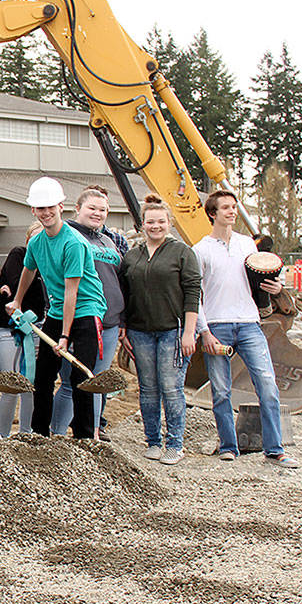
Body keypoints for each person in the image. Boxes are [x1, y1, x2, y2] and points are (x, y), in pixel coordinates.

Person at [194, 190, 296, 467]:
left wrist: (277, 286)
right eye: (225, 207)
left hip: (250, 324)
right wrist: (204, 332)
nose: (232, 211)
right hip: (217, 324)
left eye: (234, 207)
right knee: (221, 389)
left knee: (267, 385)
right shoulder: (200, 249)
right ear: (212, 213)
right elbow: (194, 295)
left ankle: (275, 449)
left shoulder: (248, 246)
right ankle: (228, 446)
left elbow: (270, 274)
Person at [6, 177, 107, 439]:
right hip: (58, 310)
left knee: (81, 376)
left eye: (51, 207)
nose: (46, 212)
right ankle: (39, 434)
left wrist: (64, 336)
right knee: (43, 377)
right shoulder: (37, 242)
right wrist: (17, 300)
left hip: (86, 309)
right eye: (41, 208)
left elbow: (72, 292)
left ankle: (84, 438)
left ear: (61, 206)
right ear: (33, 211)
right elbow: (29, 270)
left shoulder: (73, 242)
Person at [119, 194, 202, 465]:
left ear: (169, 223)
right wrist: (124, 327)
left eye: (161, 221)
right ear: (142, 224)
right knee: (148, 388)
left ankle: (175, 443)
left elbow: (192, 293)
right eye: (150, 222)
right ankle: (152, 440)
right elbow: (125, 293)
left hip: (173, 331)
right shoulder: (132, 256)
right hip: (140, 332)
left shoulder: (182, 253)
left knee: (171, 387)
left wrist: (189, 331)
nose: (155, 226)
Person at [50, 186, 127, 440]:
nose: (98, 213)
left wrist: (122, 318)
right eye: (92, 208)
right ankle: (58, 434)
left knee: (97, 383)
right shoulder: (67, 235)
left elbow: (119, 280)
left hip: (110, 321)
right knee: (73, 382)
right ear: (77, 209)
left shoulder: (107, 240)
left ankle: (91, 435)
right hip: (80, 319)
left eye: (103, 209)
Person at [0, 223, 47, 436]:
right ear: (27, 240)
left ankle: (26, 433)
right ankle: (2, 435)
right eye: (34, 237)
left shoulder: (51, 264)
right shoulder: (19, 255)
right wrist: (7, 290)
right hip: (8, 328)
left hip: (36, 327)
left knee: (30, 384)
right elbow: (16, 283)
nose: (39, 242)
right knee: (11, 383)